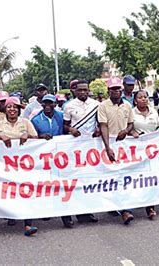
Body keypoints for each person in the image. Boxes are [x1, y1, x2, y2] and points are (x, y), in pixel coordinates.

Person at [0, 97, 38, 236]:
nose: (12, 110)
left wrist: (27, 135)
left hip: (24, 165)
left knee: (26, 190)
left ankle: (28, 224)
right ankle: (12, 215)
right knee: (9, 190)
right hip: (5, 165)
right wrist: (1, 139)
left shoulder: (26, 123)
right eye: (9, 107)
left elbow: (37, 140)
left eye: (15, 107)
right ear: (5, 109)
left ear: (19, 109)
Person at [30, 94, 73, 227]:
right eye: (45, 103)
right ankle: (46, 210)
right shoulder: (36, 120)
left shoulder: (60, 116)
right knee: (45, 185)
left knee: (62, 186)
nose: (47, 106)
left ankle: (66, 217)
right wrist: (40, 137)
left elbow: (66, 130)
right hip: (43, 158)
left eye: (51, 103)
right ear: (41, 104)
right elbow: (32, 138)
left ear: (55, 104)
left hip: (61, 157)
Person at [98, 77, 136, 225]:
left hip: (124, 145)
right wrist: (108, 147)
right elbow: (103, 126)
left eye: (118, 89)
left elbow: (131, 123)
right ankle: (120, 208)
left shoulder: (127, 106)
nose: (116, 91)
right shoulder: (103, 106)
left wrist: (126, 130)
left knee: (124, 177)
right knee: (112, 178)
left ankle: (125, 210)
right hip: (109, 144)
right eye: (113, 89)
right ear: (108, 91)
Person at [62, 80, 99, 224]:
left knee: (88, 179)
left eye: (85, 90)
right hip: (75, 148)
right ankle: (73, 211)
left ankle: (86, 212)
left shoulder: (96, 104)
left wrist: (97, 129)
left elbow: (100, 122)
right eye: (80, 90)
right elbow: (65, 126)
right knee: (75, 179)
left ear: (89, 90)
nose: (83, 92)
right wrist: (71, 129)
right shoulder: (69, 106)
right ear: (75, 91)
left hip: (92, 147)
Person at [131, 90, 159, 219]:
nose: (143, 99)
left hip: (152, 150)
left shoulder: (154, 112)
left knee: (151, 178)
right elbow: (128, 127)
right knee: (137, 179)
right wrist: (133, 132)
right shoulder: (131, 112)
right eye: (140, 97)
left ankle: (150, 207)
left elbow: (158, 128)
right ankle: (131, 205)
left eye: (145, 97)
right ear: (135, 100)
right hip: (137, 151)